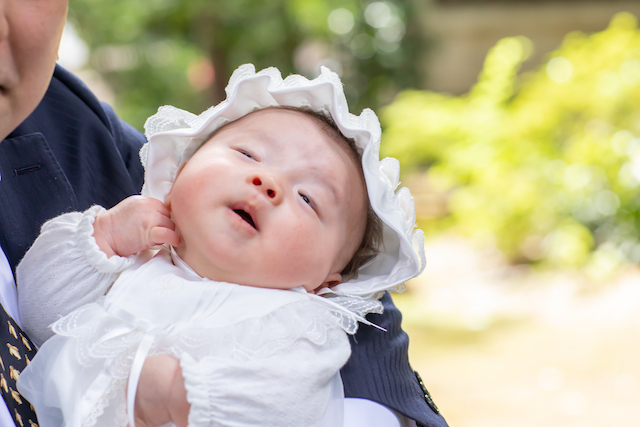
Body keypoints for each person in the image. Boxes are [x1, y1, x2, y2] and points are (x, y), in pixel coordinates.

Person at [0, 1, 446, 426]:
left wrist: (179, 393)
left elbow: (281, 408)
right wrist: (98, 243)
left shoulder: (294, 326)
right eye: (248, 154)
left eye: (308, 198)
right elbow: (42, 312)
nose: (268, 183)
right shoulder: (133, 265)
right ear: (177, 175)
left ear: (328, 282)